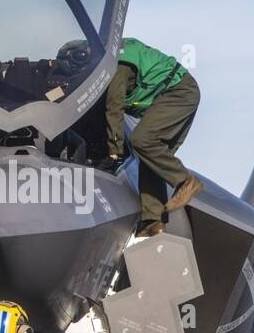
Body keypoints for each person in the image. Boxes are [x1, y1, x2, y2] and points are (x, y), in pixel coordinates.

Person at [57, 37, 202, 235]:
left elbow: (113, 107)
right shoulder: (110, 62)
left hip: (178, 93)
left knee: (141, 140)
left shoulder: (116, 63)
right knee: (149, 156)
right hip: (169, 96)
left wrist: (114, 149)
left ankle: (184, 181)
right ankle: (153, 221)